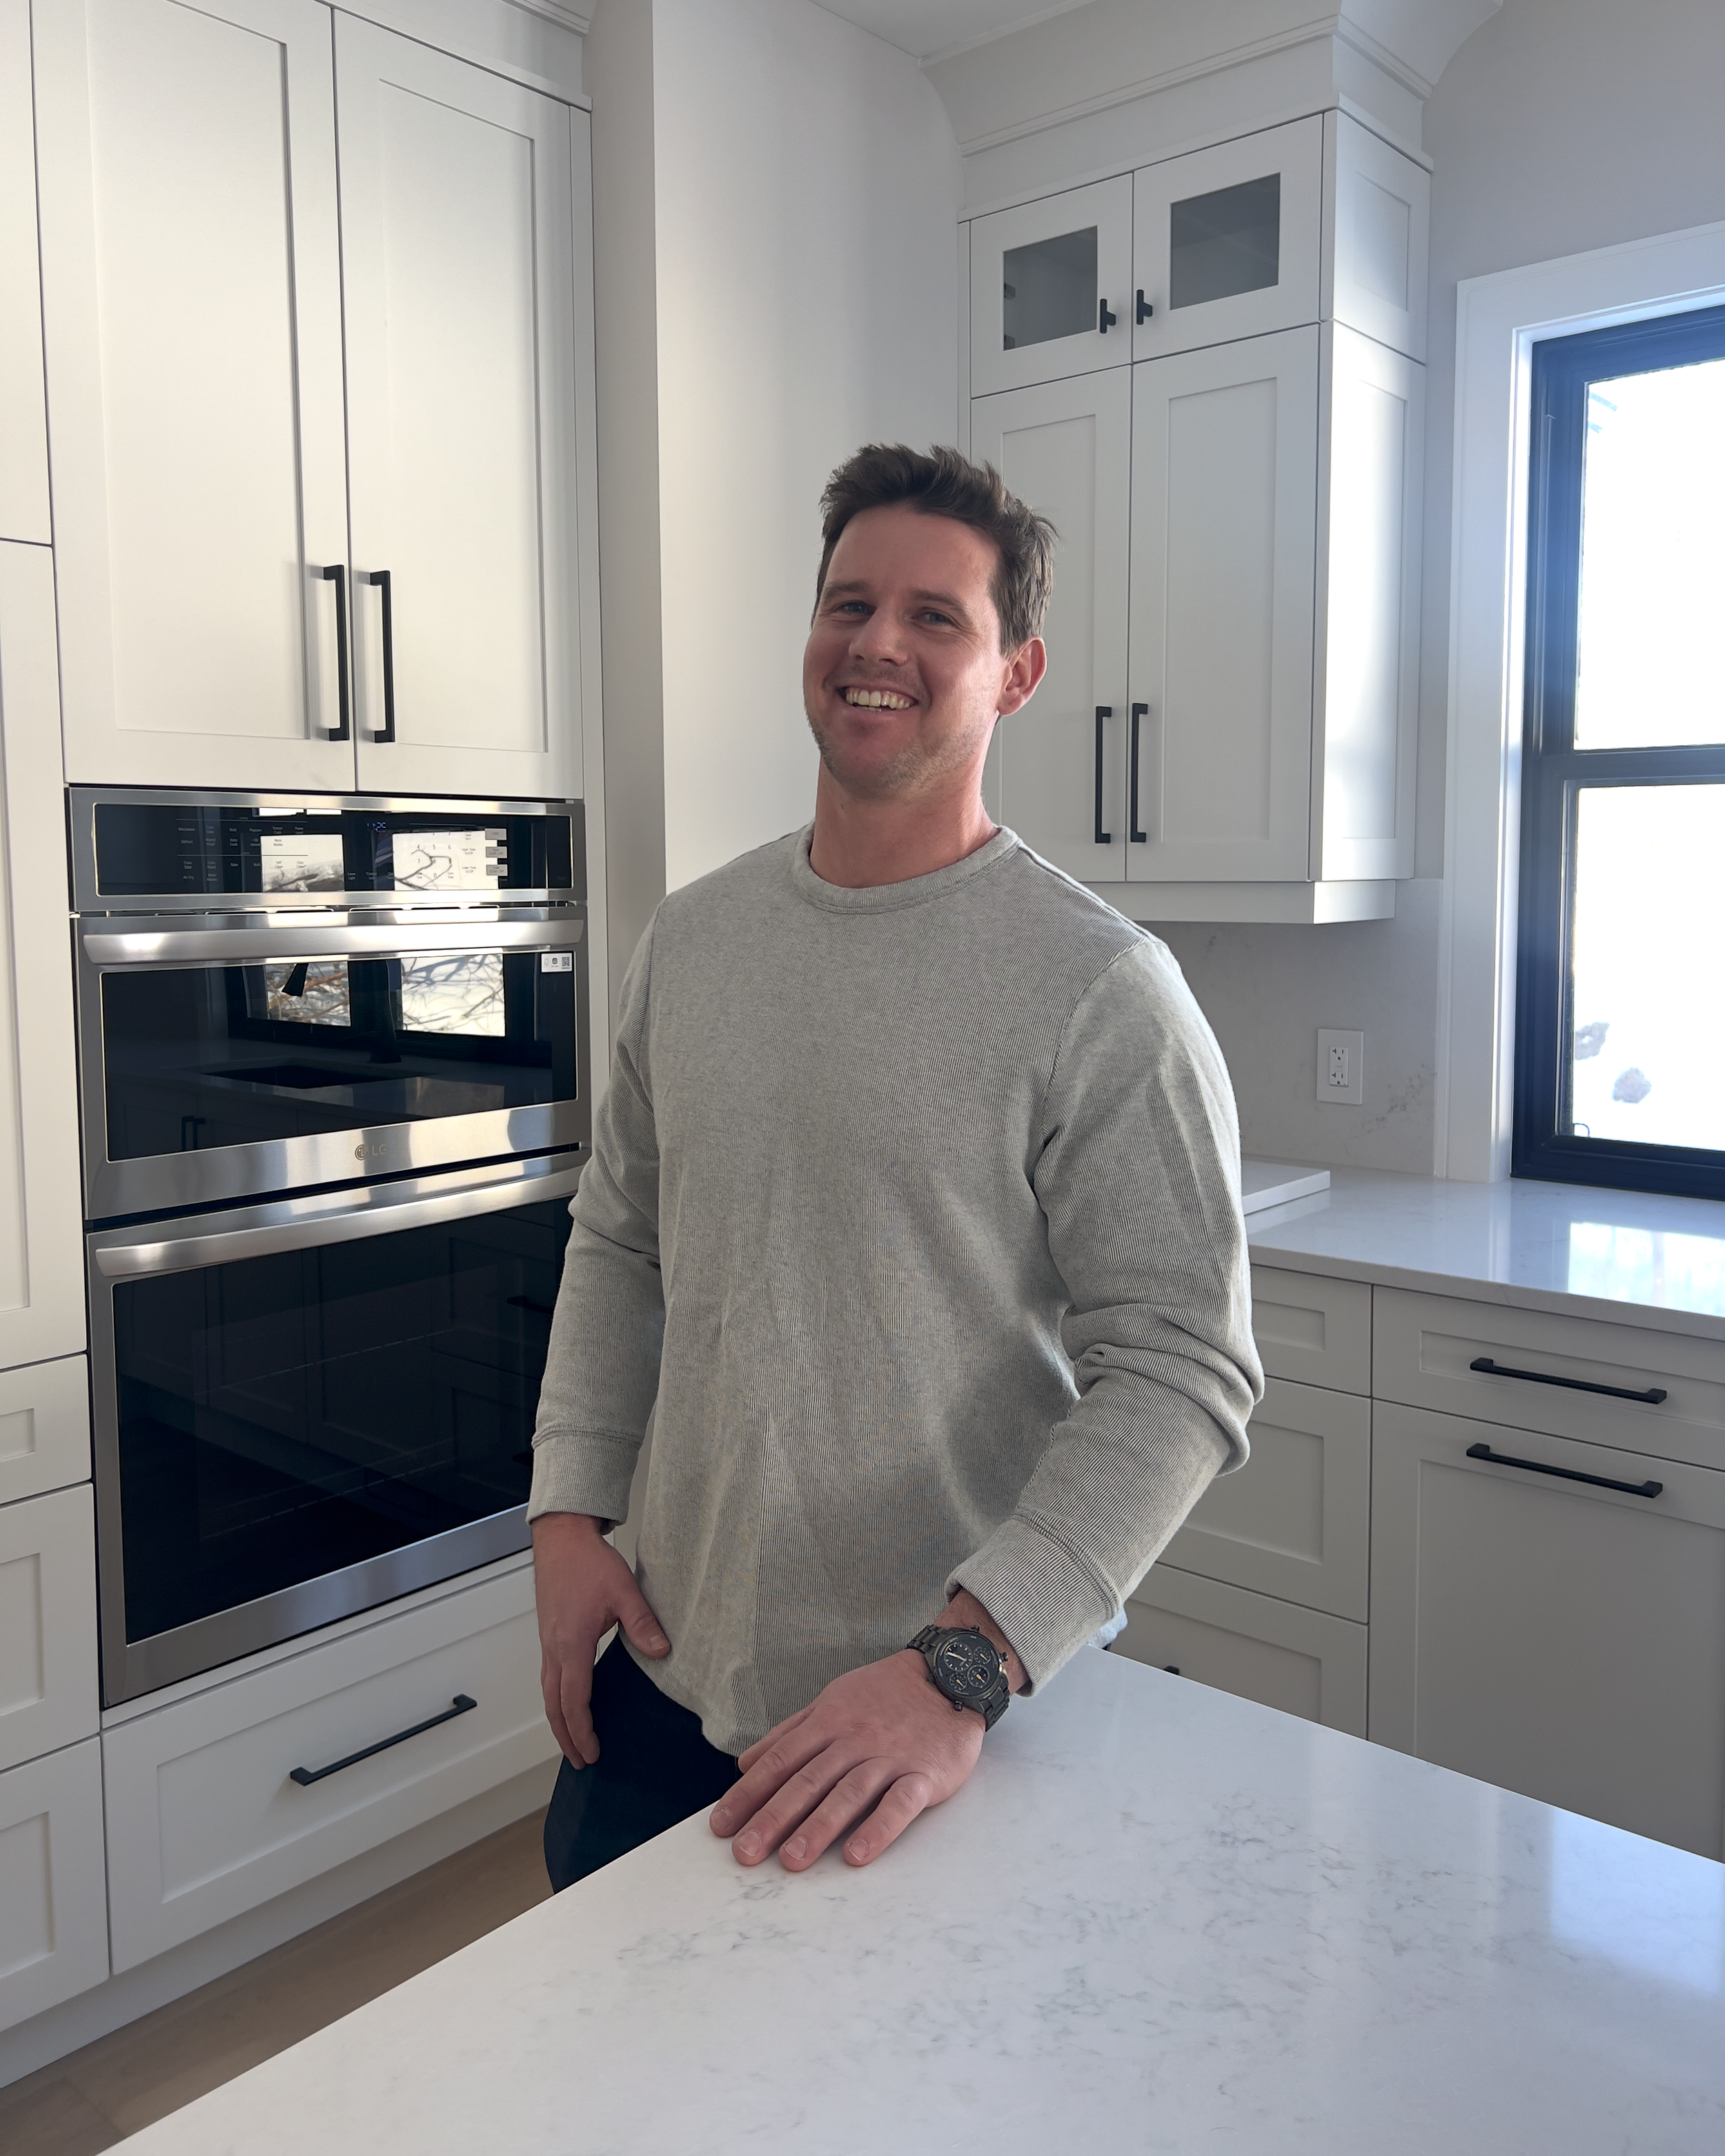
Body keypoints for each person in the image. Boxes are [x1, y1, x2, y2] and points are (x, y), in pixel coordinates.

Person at [528, 442, 1263, 1890]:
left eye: (937, 616)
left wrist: (962, 1666)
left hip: (935, 1726)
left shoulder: (1097, 986)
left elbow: (1182, 1363)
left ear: (1016, 673)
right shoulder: (693, 939)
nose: (876, 641)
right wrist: (565, 1507)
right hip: (662, 1683)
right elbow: (621, 1238)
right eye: (847, 602)